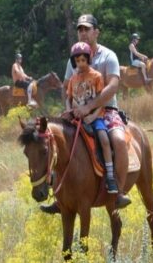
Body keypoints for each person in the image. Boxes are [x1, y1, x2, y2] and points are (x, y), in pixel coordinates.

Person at [41, 14, 131, 214]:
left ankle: (118, 191)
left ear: (96, 32)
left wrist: (90, 107)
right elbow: (66, 88)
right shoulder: (73, 59)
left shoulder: (108, 56)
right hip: (76, 110)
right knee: (56, 140)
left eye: (87, 29)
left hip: (105, 110)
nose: (83, 33)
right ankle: (59, 195)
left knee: (117, 139)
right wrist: (69, 108)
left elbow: (113, 86)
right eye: (80, 29)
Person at [66, 42, 119, 194]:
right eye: (77, 61)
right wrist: (69, 111)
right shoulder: (73, 79)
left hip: (95, 117)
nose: (80, 64)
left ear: (88, 60)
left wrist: (92, 117)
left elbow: (101, 102)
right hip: (76, 118)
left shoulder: (96, 76)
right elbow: (68, 98)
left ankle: (110, 175)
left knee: (103, 138)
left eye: (83, 60)